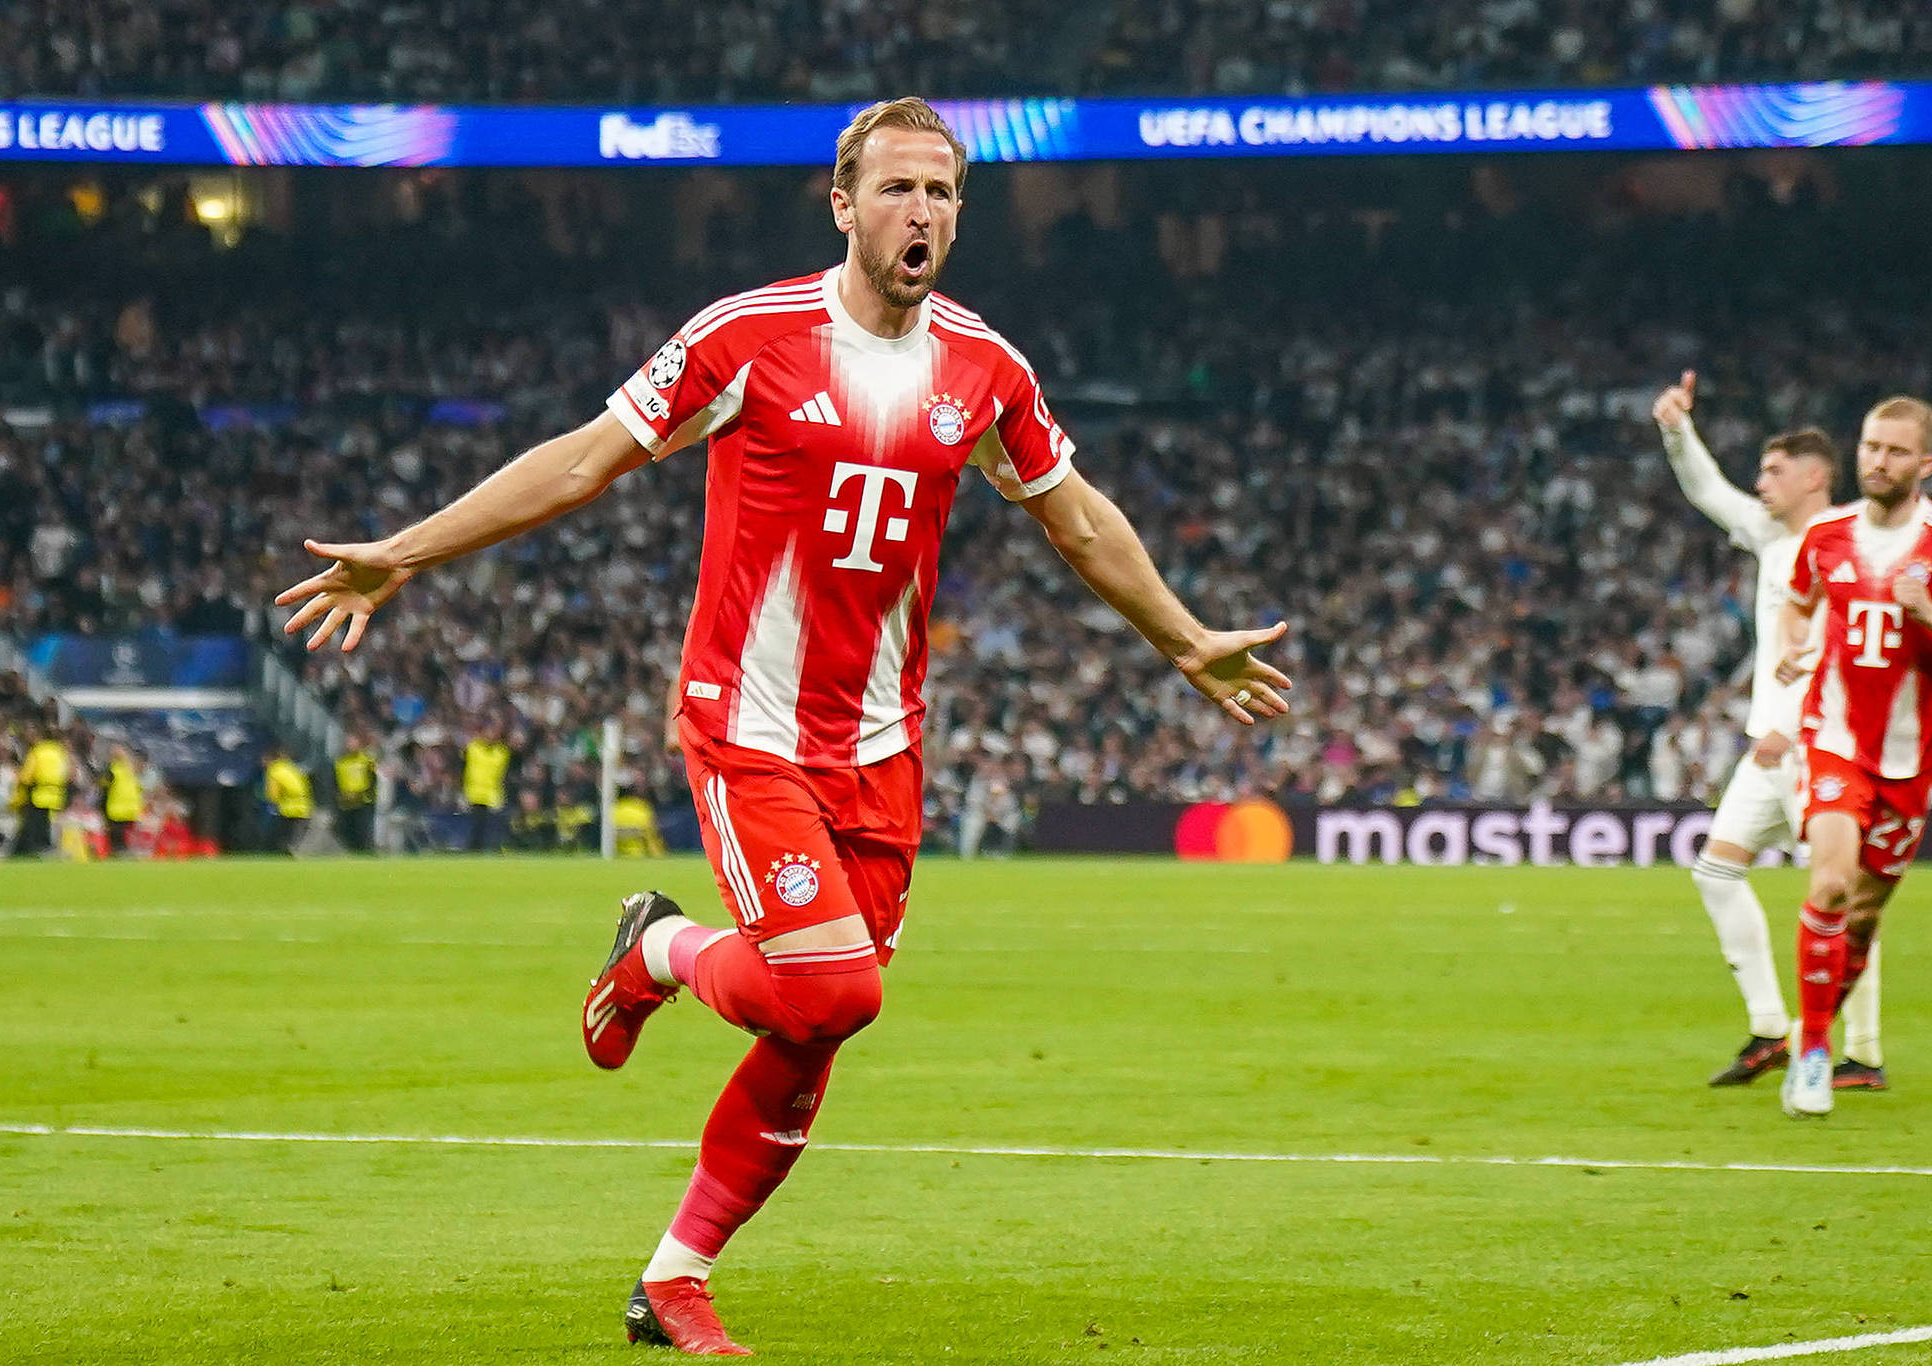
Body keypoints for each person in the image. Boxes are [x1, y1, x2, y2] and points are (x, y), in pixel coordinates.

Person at [276, 96, 1290, 1355]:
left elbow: (1073, 517)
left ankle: (674, 1277)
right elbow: (588, 457)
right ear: (842, 203)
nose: (923, 214)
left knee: (822, 1019)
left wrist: (1183, 637)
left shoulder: (984, 368)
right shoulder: (751, 336)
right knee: (828, 983)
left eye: (944, 195)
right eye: (900, 190)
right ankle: (655, 954)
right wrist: (408, 553)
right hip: (747, 725)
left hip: (881, 746)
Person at [1651, 373, 1886, 1087]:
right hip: (1771, 748)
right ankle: (1769, 1031)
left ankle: (1862, 1053)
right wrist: (1676, 429)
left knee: (1836, 893)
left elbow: (1843, 650)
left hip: (1818, 745)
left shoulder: (1849, 541)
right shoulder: (1769, 535)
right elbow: (1707, 489)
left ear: (1816, 477)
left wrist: (1789, 724)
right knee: (1716, 870)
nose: (1760, 482)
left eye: (1775, 470)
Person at [1776, 395, 1932, 1118]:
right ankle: (1810, 1055)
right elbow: (1797, 601)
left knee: (1862, 920)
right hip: (1835, 740)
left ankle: (1820, 1031)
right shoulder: (1826, 534)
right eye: (1871, 446)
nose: (1878, 460)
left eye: (1896, 451)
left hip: (1910, 761)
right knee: (1831, 884)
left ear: (1924, 465)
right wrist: (1788, 646)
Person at [13, 726, 71, 857]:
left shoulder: (37, 752)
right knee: (49, 823)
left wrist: (18, 778)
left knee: (36, 823)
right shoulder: (59, 751)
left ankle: (36, 848)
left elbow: (26, 777)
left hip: (39, 793)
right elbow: (67, 773)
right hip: (56, 794)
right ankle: (50, 847)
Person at [462, 723, 511, 852]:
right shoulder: (473, 748)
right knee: (477, 825)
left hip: (492, 795)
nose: (491, 736)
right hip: (475, 794)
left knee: (492, 826)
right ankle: (473, 850)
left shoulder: (501, 752)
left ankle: (494, 848)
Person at [262, 746, 313, 853]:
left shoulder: (274, 770)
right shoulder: (291, 767)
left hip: (288, 806)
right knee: (298, 833)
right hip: (304, 805)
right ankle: (295, 849)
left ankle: (284, 850)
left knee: (284, 832)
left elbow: (273, 793)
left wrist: (272, 802)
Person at [333, 734, 379, 853]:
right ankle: (351, 851)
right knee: (346, 829)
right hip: (346, 802)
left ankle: (366, 851)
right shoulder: (341, 762)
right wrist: (340, 795)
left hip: (363, 801)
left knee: (363, 829)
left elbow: (373, 779)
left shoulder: (366, 760)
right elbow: (335, 781)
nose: (351, 745)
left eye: (354, 742)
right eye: (349, 742)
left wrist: (362, 793)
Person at [102, 743, 144, 855]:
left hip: (127, 807)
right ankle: (118, 850)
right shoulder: (112, 770)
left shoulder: (129, 769)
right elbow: (104, 785)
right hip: (118, 806)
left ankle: (123, 850)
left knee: (125, 831)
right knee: (117, 831)